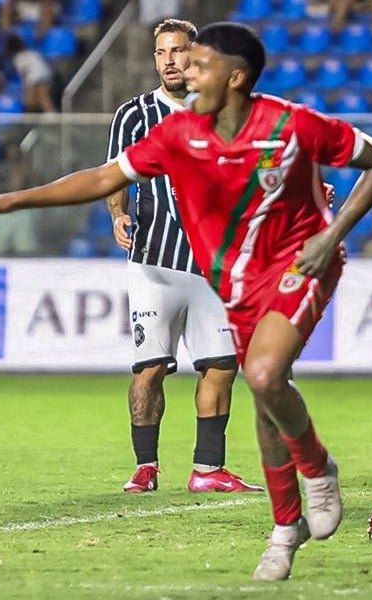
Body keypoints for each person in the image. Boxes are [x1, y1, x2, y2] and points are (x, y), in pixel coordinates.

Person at [0, 22, 372, 580]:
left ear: (235, 77)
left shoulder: (291, 123)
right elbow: (100, 177)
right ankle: (287, 523)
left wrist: (332, 233)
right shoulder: (178, 135)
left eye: (198, 63)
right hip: (233, 278)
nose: (185, 70)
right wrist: (9, 201)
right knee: (265, 387)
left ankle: (309, 472)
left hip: (298, 263)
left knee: (259, 376)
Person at [105, 18, 262, 496]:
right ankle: (145, 465)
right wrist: (116, 214)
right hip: (155, 262)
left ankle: (209, 469)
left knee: (220, 365)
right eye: (161, 53)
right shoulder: (134, 114)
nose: (169, 60)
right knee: (150, 368)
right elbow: (114, 173)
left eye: (177, 51)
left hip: (214, 263)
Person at [4, 32, 56, 113]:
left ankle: (36, 120)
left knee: (30, 101)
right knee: (43, 98)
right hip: (46, 75)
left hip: (35, 77)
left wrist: (26, 89)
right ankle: (51, 116)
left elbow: (24, 74)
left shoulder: (18, 58)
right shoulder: (32, 53)